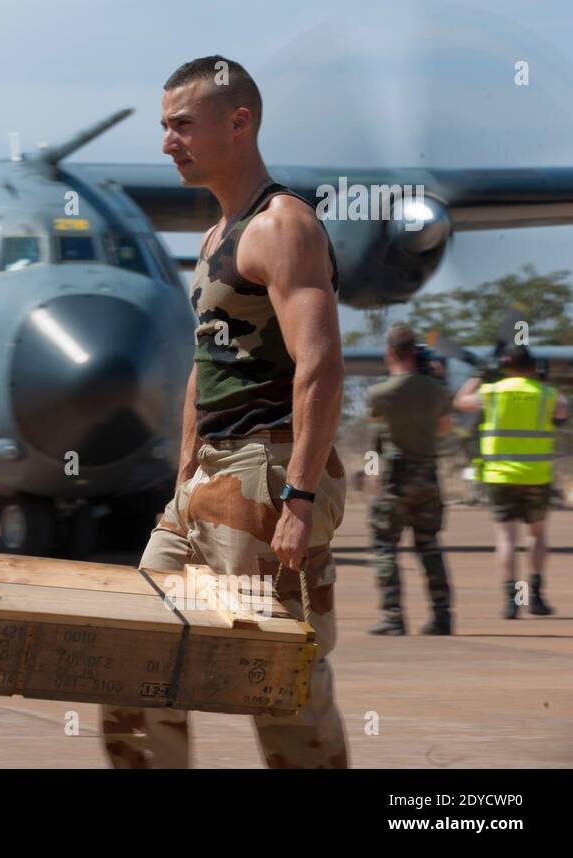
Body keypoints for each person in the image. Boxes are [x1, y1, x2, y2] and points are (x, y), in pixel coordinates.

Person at [99, 56, 348, 769]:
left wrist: (299, 497)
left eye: (182, 126)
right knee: (133, 650)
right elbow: (206, 365)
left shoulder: (283, 227)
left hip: (268, 471)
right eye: (164, 127)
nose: (167, 143)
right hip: (208, 478)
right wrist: (184, 474)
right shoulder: (215, 239)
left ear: (239, 123)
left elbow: (321, 365)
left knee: (274, 677)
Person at [455, 344, 568, 619]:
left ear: (505, 367)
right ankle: (536, 597)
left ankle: (511, 601)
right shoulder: (545, 393)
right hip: (536, 475)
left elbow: (461, 401)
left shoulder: (492, 392)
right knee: (537, 535)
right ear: (533, 367)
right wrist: (544, 383)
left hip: (500, 476)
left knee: (506, 537)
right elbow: (564, 411)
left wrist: (479, 374)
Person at [365, 325, 455, 635]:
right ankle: (442, 616)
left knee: (385, 545)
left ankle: (393, 617)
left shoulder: (379, 394)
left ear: (390, 352)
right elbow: (445, 429)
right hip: (428, 475)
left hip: (396, 478)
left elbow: (377, 429)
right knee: (429, 545)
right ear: (415, 352)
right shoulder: (438, 391)